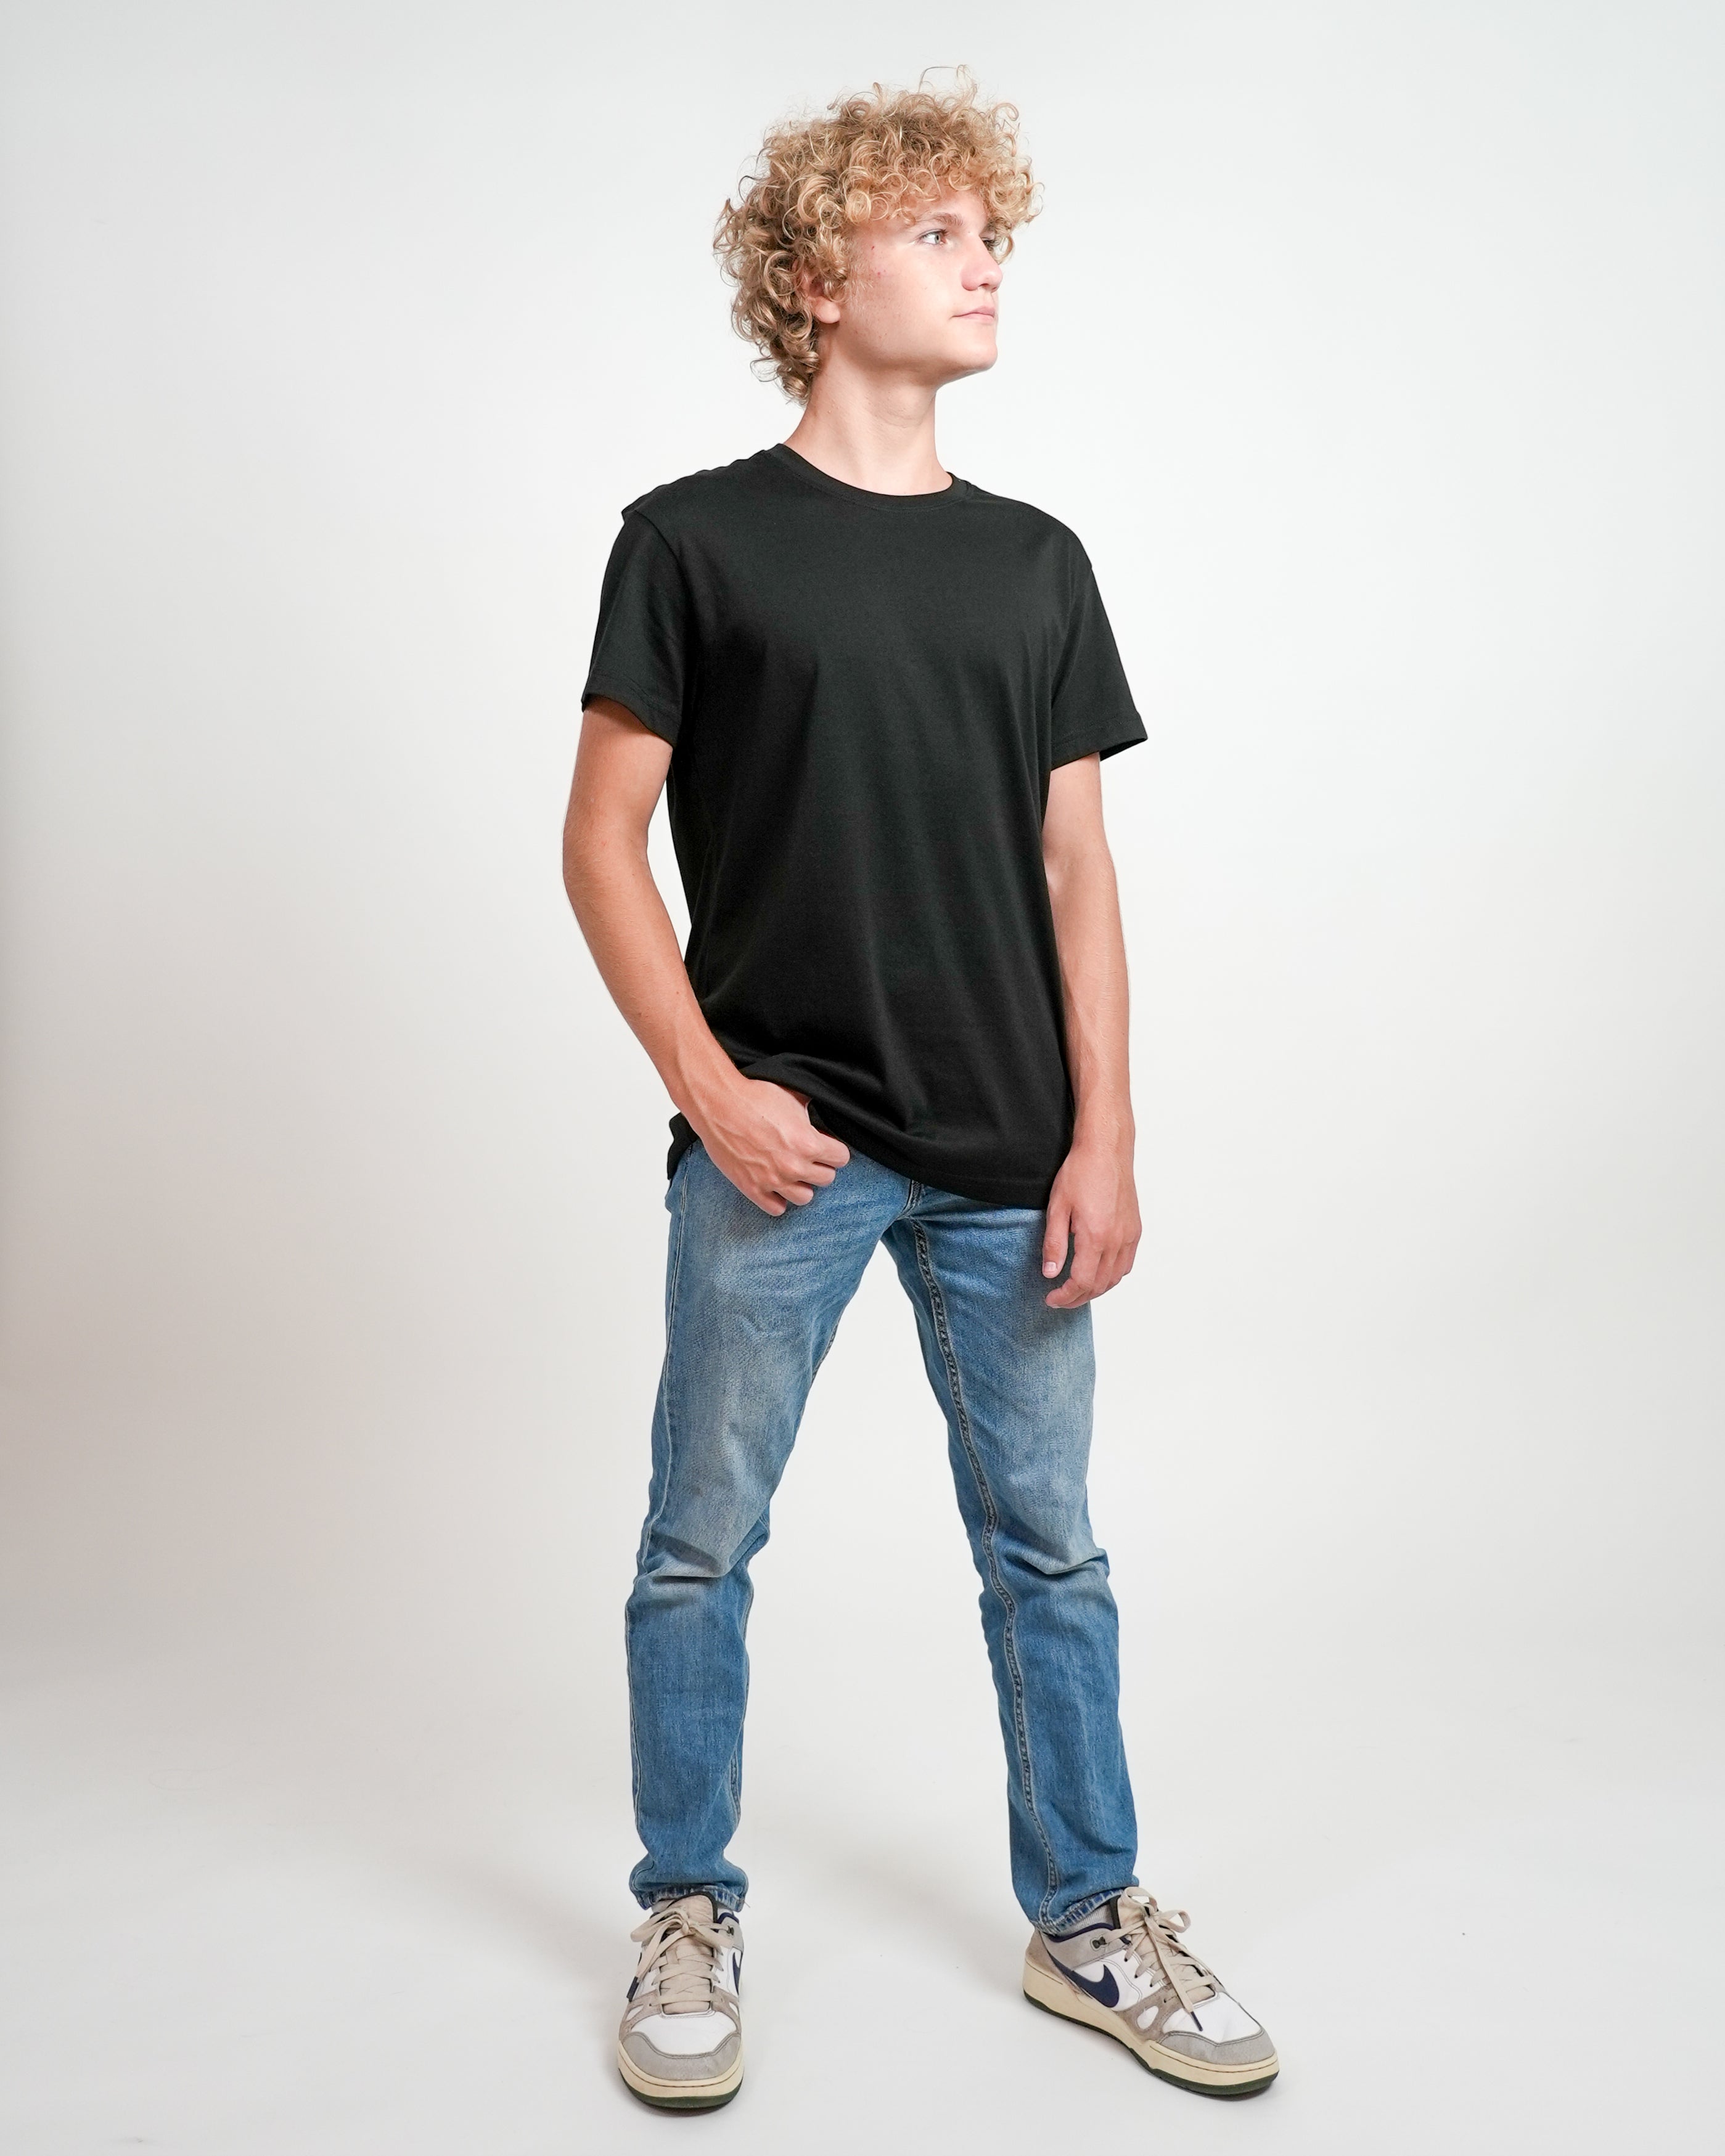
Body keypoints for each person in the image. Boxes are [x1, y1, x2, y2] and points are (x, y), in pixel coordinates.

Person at [563, 73, 1278, 2113]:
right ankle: (686, 1902)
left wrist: (1108, 1130)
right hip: (781, 1146)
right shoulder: (690, 543)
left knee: (1049, 1547)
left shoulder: (1037, 563)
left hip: (1007, 1153)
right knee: (698, 1542)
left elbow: (1079, 864)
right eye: (942, 233)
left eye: (997, 238)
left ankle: (1091, 1917)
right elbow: (600, 841)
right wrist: (711, 1091)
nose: (987, 267)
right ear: (817, 275)